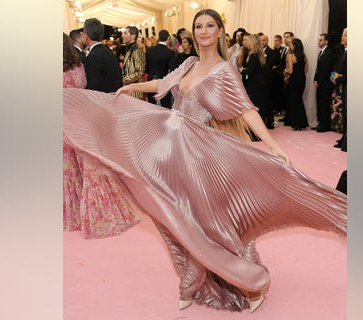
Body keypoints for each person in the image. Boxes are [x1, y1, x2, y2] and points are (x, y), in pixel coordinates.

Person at [63, 8, 346, 313]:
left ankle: (245, 281)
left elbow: (247, 110)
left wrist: (274, 146)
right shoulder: (189, 63)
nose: (203, 31)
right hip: (168, 148)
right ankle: (192, 277)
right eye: (199, 26)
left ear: (221, 31)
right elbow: (163, 85)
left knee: (207, 221)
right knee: (170, 218)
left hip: (198, 154)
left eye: (210, 25)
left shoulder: (224, 71)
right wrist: (131, 87)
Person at [62, 34, 139, 238]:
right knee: (90, 169)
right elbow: (84, 89)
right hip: (82, 121)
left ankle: (77, 216)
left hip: (63, 124)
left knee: (69, 172)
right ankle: (101, 214)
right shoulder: (78, 67)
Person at [82, 18, 122, 93]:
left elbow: (92, 89)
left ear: (86, 35)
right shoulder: (110, 53)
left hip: (102, 101)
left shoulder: (93, 57)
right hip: (114, 99)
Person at [283, 38, 309, 130]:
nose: (290, 46)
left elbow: (290, 71)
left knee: (294, 101)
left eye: (291, 45)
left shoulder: (291, 56)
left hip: (294, 80)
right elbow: (306, 70)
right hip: (302, 79)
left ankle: (297, 124)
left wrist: (285, 72)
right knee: (299, 100)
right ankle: (302, 123)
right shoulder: (304, 56)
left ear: (294, 46)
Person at [146, 29, 175, 108]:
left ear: (158, 37)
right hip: (164, 81)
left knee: (151, 105)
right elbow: (172, 70)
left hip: (151, 80)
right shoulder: (170, 52)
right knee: (165, 106)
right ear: (168, 38)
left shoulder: (149, 51)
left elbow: (146, 68)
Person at [313, 33, 336, 132]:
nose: (319, 42)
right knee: (320, 103)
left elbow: (326, 70)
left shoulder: (329, 52)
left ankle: (325, 125)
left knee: (324, 104)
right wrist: (315, 79)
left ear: (326, 41)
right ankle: (320, 123)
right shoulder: (321, 52)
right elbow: (318, 69)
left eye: (321, 40)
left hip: (325, 84)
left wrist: (319, 81)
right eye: (318, 40)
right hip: (320, 83)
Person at [121, 26, 146, 99]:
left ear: (133, 36)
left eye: (125, 33)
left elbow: (139, 72)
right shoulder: (130, 49)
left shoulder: (136, 51)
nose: (122, 35)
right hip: (130, 91)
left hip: (136, 93)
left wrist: (123, 81)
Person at [333, 28, 347, 151]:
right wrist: (336, 76)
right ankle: (345, 139)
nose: (343, 37)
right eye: (343, 35)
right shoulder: (344, 52)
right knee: (345, 115)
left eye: (346, 35)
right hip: (344, 88)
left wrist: (339, 78)